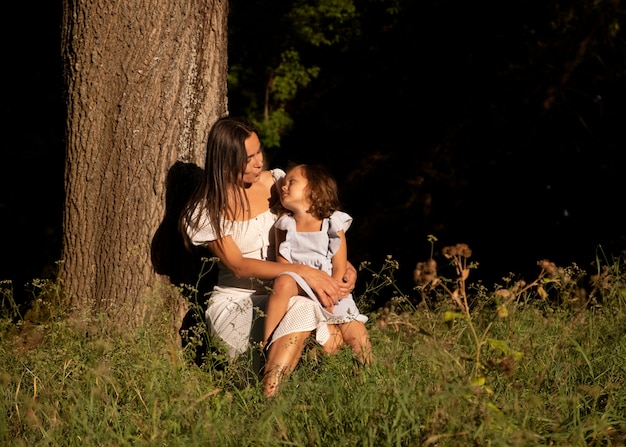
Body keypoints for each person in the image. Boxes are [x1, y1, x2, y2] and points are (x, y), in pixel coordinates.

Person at [179, 116, 357, 397]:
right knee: (305, 310)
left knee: (327, 325)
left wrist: (342, 266)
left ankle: (288, 396)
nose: (258, 162)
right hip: (238, 302)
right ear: (225, 160)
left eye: (259, 151)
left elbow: (314, 228)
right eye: (248, 158)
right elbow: (237, 265)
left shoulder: (277, 184)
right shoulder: (207, 209)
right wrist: (303, 272)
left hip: (293, 291)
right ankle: (269, 398)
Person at [263, 164, 372, 365]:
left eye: (292, 182)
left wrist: (333, 291)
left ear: (313, 190)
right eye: (284, 183)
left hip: (333, 289)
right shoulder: (284, 225)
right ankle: (268, 341)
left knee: (354, 327)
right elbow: (284, 266)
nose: (284, 187)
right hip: (302, 288)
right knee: (282, 284)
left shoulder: (332, 222)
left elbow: (339, 265)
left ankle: (368, 368)